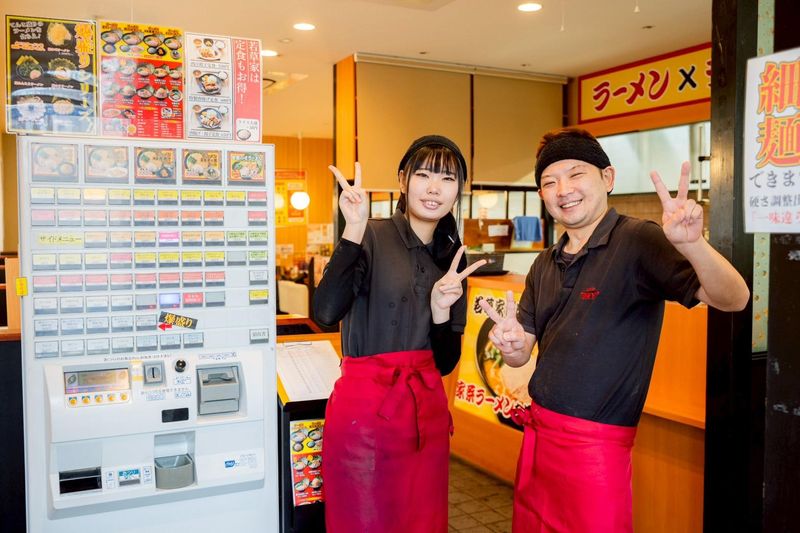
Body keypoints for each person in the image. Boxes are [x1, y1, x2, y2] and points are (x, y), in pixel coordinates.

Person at [479, 128, 750, 533]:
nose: (563, 189)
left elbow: (735, 298)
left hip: (597, 450)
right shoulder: (543, 264)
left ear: (607, 178)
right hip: (538, 437)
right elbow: (522, 354)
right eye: (550, 182)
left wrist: (693, 245)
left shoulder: (638, 240)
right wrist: (513, 345)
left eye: (575, 174)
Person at [313, 135, 486, 533]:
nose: (433, 188)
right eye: (423, 174)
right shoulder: (369, 234)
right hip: (363, 414)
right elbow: (325, 312)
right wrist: (352, 229)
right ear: (403, 180)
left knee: (421, 520)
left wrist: (441, 311)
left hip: (424, 417)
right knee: (363, 518)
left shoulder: (455, 259)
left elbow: (444, 363)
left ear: (459, 189)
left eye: (446, 178)